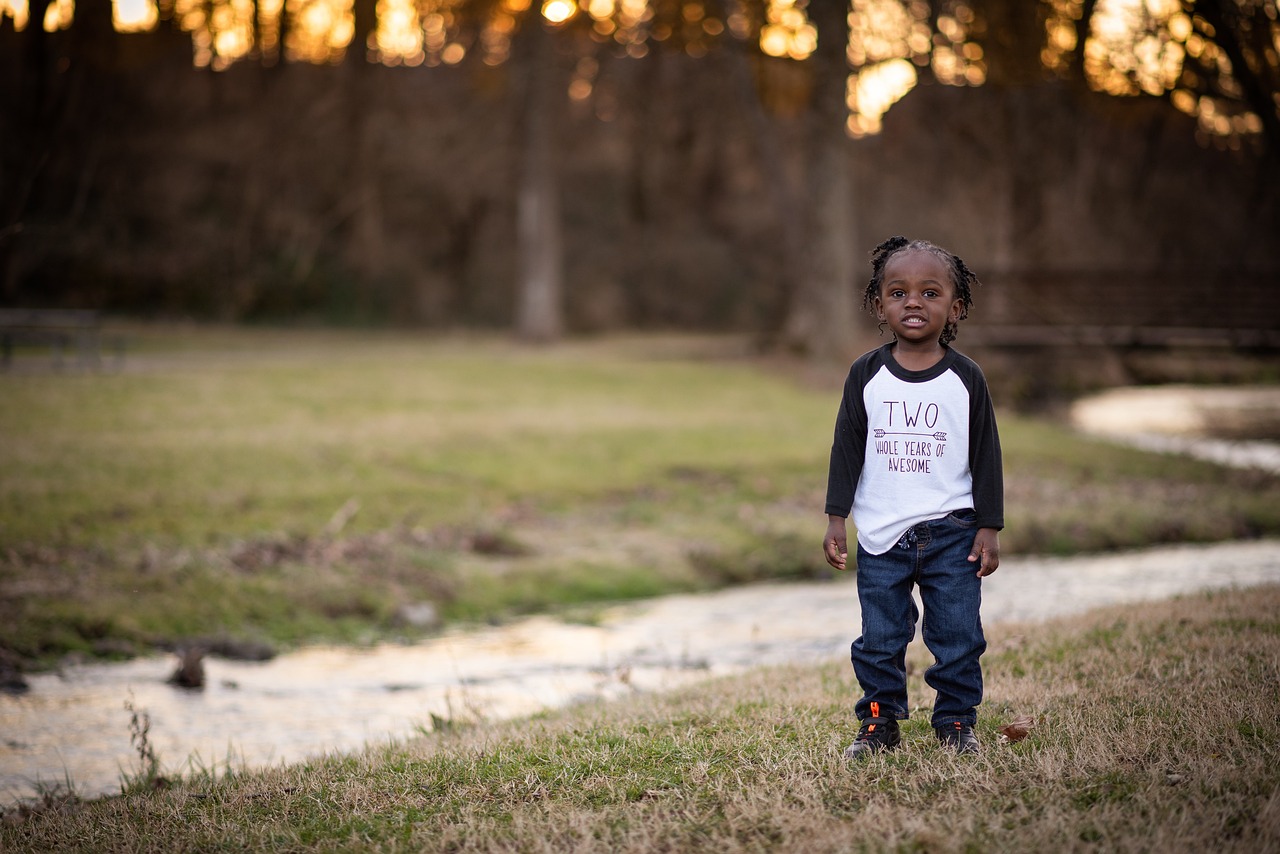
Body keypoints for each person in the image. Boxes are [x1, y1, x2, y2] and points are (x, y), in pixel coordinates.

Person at [823, 235, 1003, 760]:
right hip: (882, 535)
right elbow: (846, 448)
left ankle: (954, 721)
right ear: (880, 304)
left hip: (955, 531)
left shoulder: (966, 378)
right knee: (879, 639)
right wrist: (837, 518)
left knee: (958, 634)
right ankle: (878, 724)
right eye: (898, 292)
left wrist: (989, 525)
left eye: (930, 292)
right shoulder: (867, 374)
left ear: (956, 306)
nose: (913, 303)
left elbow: (987, 454)